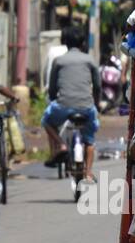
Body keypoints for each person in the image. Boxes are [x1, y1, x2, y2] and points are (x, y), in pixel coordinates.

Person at [43, 24, 100, 176]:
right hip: (86, 107)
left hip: (63, 106)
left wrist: (55, 99)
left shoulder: (59, 61)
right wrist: (96, 104)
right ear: (83, 43)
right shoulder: (90, 60)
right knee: (89, 140)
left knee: (46, 121)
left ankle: (61, 145)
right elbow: (98, 87)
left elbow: (52, 88)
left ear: (65, 43)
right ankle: (88, 172)